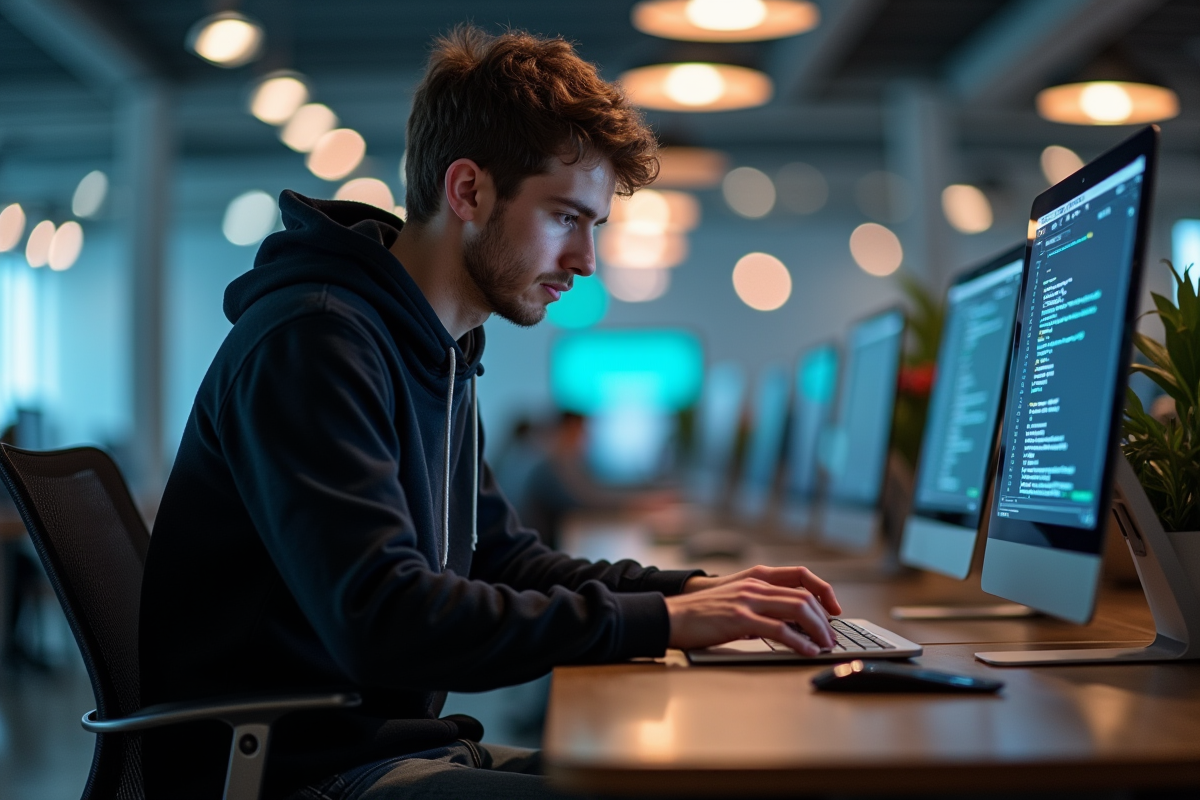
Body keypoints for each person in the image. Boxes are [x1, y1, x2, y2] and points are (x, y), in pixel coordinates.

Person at [139, 25, 842, 800]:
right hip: (290, 775)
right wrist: (663, 623)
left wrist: (699, 592)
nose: (587, 261)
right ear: (468, 190)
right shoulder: (315, 341)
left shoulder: (439, 351)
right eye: (566, 217)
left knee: (720, 775)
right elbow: (384, 620)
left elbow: (506, 560)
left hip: (387, 750)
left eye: (594, 227)